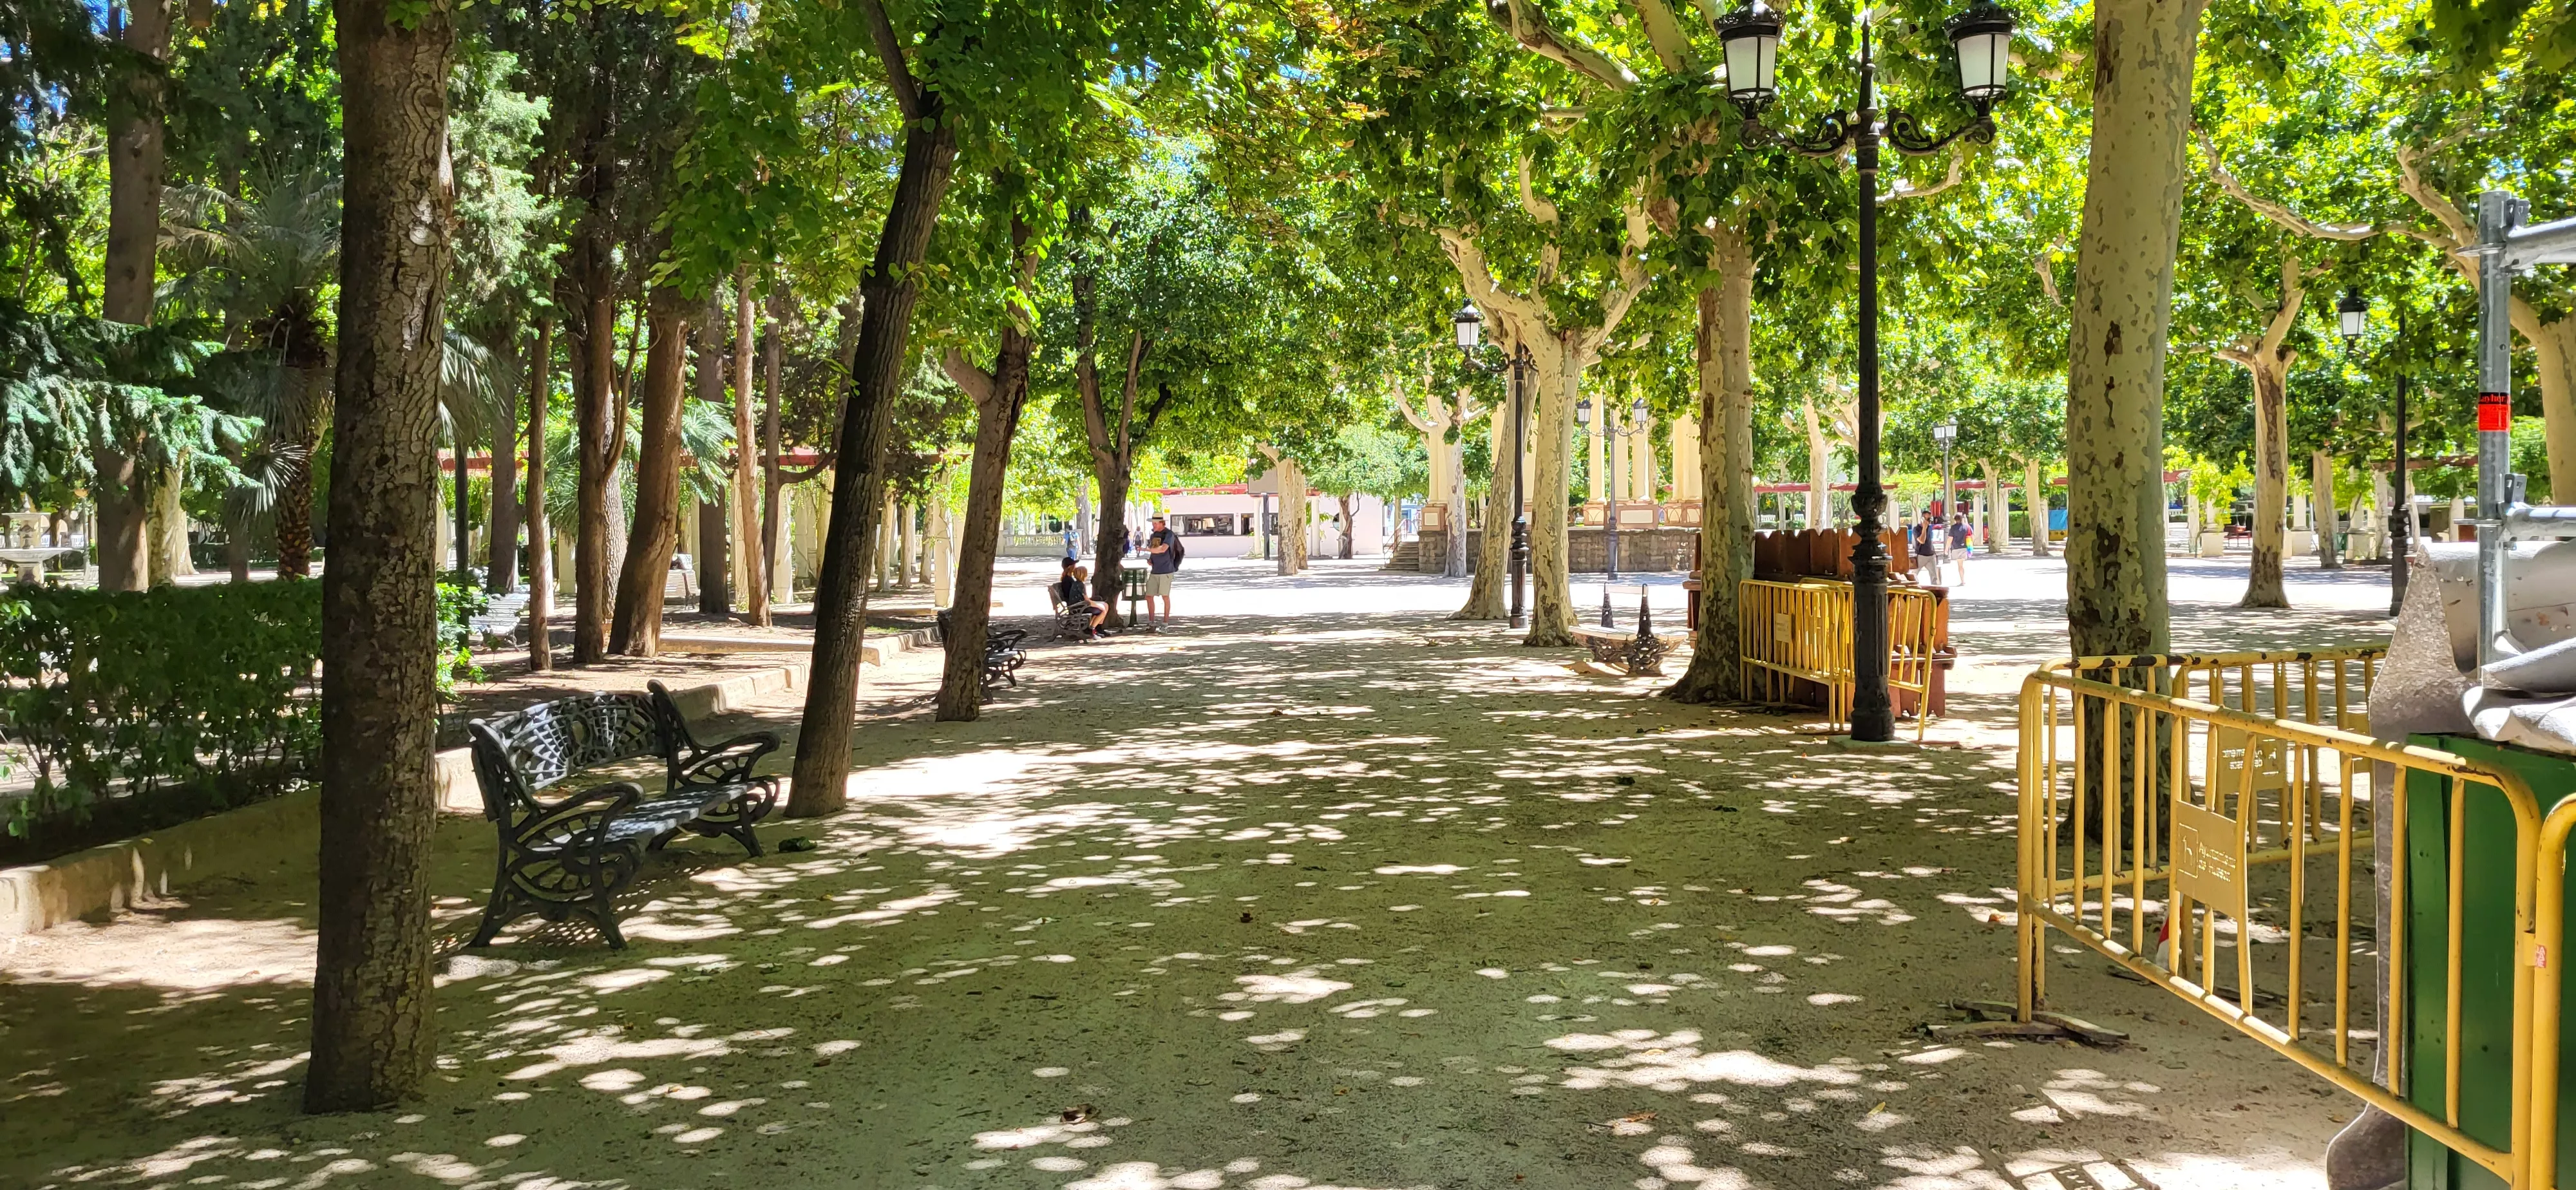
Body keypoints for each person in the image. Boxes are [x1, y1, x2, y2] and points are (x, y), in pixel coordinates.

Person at [1143, 514, 1182, 628]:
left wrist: (1146, 549)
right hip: (1155, 570)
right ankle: (1151, 622)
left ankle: (1165, 623)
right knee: (1149, 596)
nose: (1153, 525)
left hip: (1166, 570)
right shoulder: (1154, 535)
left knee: (1165, 597)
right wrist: (1150, 559)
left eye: (1155, 523)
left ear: (1162, 523)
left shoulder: (1169, 534)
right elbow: (1154, 550)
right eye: (1153, 523)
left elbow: (1163, 549)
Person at [1057, 558, 1108, 640]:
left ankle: (1096, 629)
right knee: (1102, 609)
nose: (1075, 566)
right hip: (1078, 606)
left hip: (1080, 604)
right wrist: (1095, 604)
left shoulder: (1072, 581)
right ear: (1070, 567)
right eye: (1074, 565)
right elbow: (1076, 597)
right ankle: (1092, 629)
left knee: (1104, 605)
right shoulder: (1070, 581)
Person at [1947, 514, 1973, 584]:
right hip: (1964, 548)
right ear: (1962, 519)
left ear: (1955, 520)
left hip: (1956, 548)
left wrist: (1946, 549)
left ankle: (1962, 580)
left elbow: (1950, 539)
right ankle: (1963, 580)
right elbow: (1972, 536)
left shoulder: (1953, 528)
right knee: (1961, 565)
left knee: (1960, 565)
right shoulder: (1967, 527)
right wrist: (1971, 545)